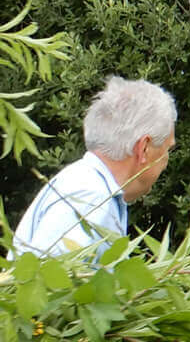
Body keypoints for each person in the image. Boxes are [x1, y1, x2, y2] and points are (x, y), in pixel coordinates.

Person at [12, 76, 177, 258]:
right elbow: (56, 279)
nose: (166, 161)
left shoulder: (86, 186)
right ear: (144, 148)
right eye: (166, 149)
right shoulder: (90, 199)